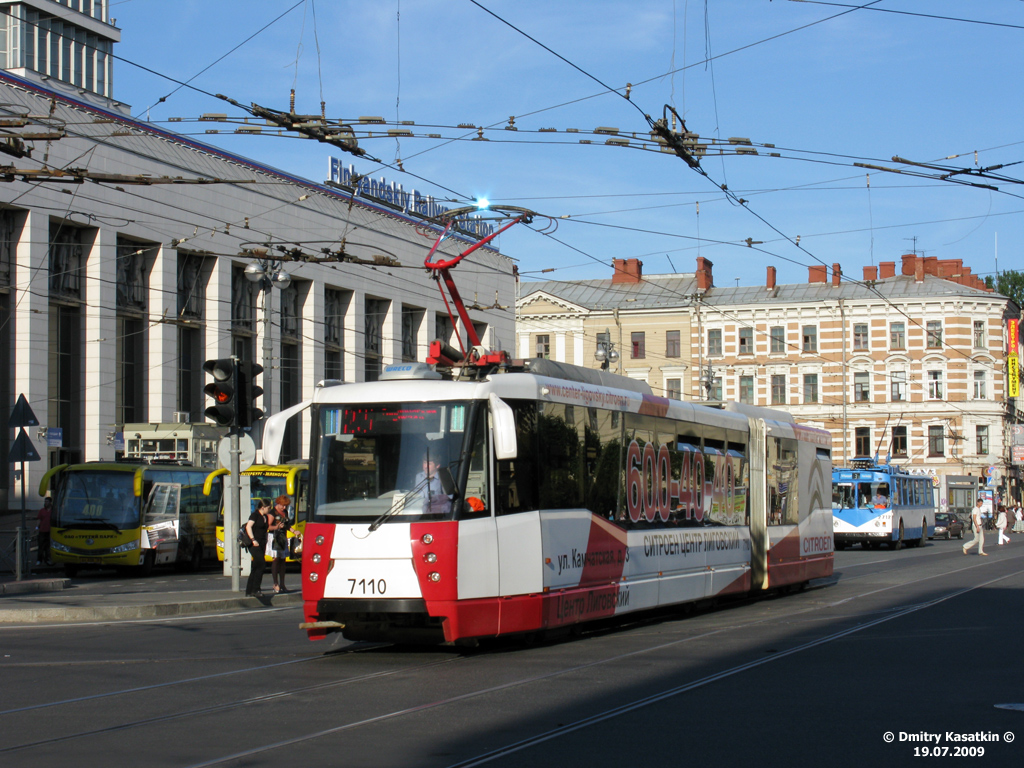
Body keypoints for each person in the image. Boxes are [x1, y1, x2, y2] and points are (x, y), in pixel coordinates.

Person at [244, 499, 273, 596]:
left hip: (262, 543)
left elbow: (265, 529)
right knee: (261, 565)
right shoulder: (255, 515)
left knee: (256, 566)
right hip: (254, 544)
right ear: (262, 507)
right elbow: (248, 527)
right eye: (268, 508)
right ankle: (256, 589)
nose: (269, 510)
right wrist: (253, 539)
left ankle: (249, 590)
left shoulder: (265, 516)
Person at [269, 495, 292, 593]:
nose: (284, 508)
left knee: (283, 560)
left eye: (286, 506)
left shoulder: (285, 512)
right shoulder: (272, 512)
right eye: (283, 505)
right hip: (274, 537)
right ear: (278, 503)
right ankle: (275, 583)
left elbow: (287, 525)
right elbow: (269, 526)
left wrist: (294, 531)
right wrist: (277, 527)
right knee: (276, 559)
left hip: (283, 536)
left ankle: (282, 583)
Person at [36, 497, 52, 566]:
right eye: (45, 501)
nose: (46, 503)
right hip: (42, 530)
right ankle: (39, 560)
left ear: (50, 502)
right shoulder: (42, 510)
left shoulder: (53, 511)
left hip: (50, 531)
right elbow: (39, 519)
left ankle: (47, 559)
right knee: (41, 546)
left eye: (47, 501)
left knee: (48, 547)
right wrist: (37, 527)